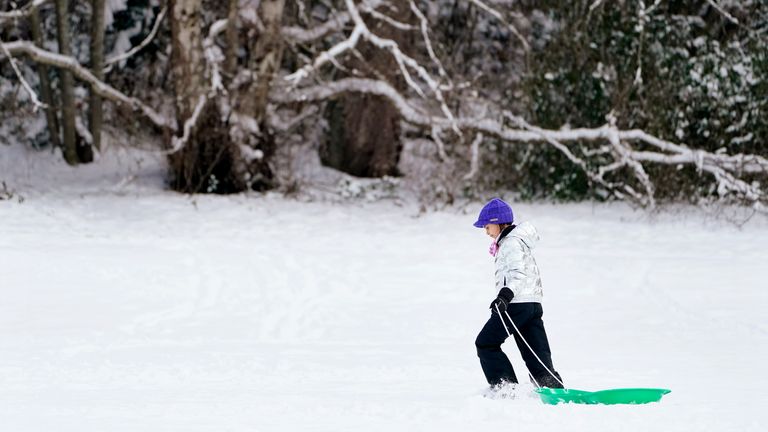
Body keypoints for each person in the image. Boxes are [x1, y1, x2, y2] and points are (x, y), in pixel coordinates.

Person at [473, 198, 564, 390]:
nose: (486, 231)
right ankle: (550, 386)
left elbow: (518, 273)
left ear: (498, 222)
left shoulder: (511, 243)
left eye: (487, 226)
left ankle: (505, 389)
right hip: (531, 304)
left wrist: (504, 296)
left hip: (516, 303)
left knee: (485, 343)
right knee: (534, 351)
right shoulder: (517, 241)